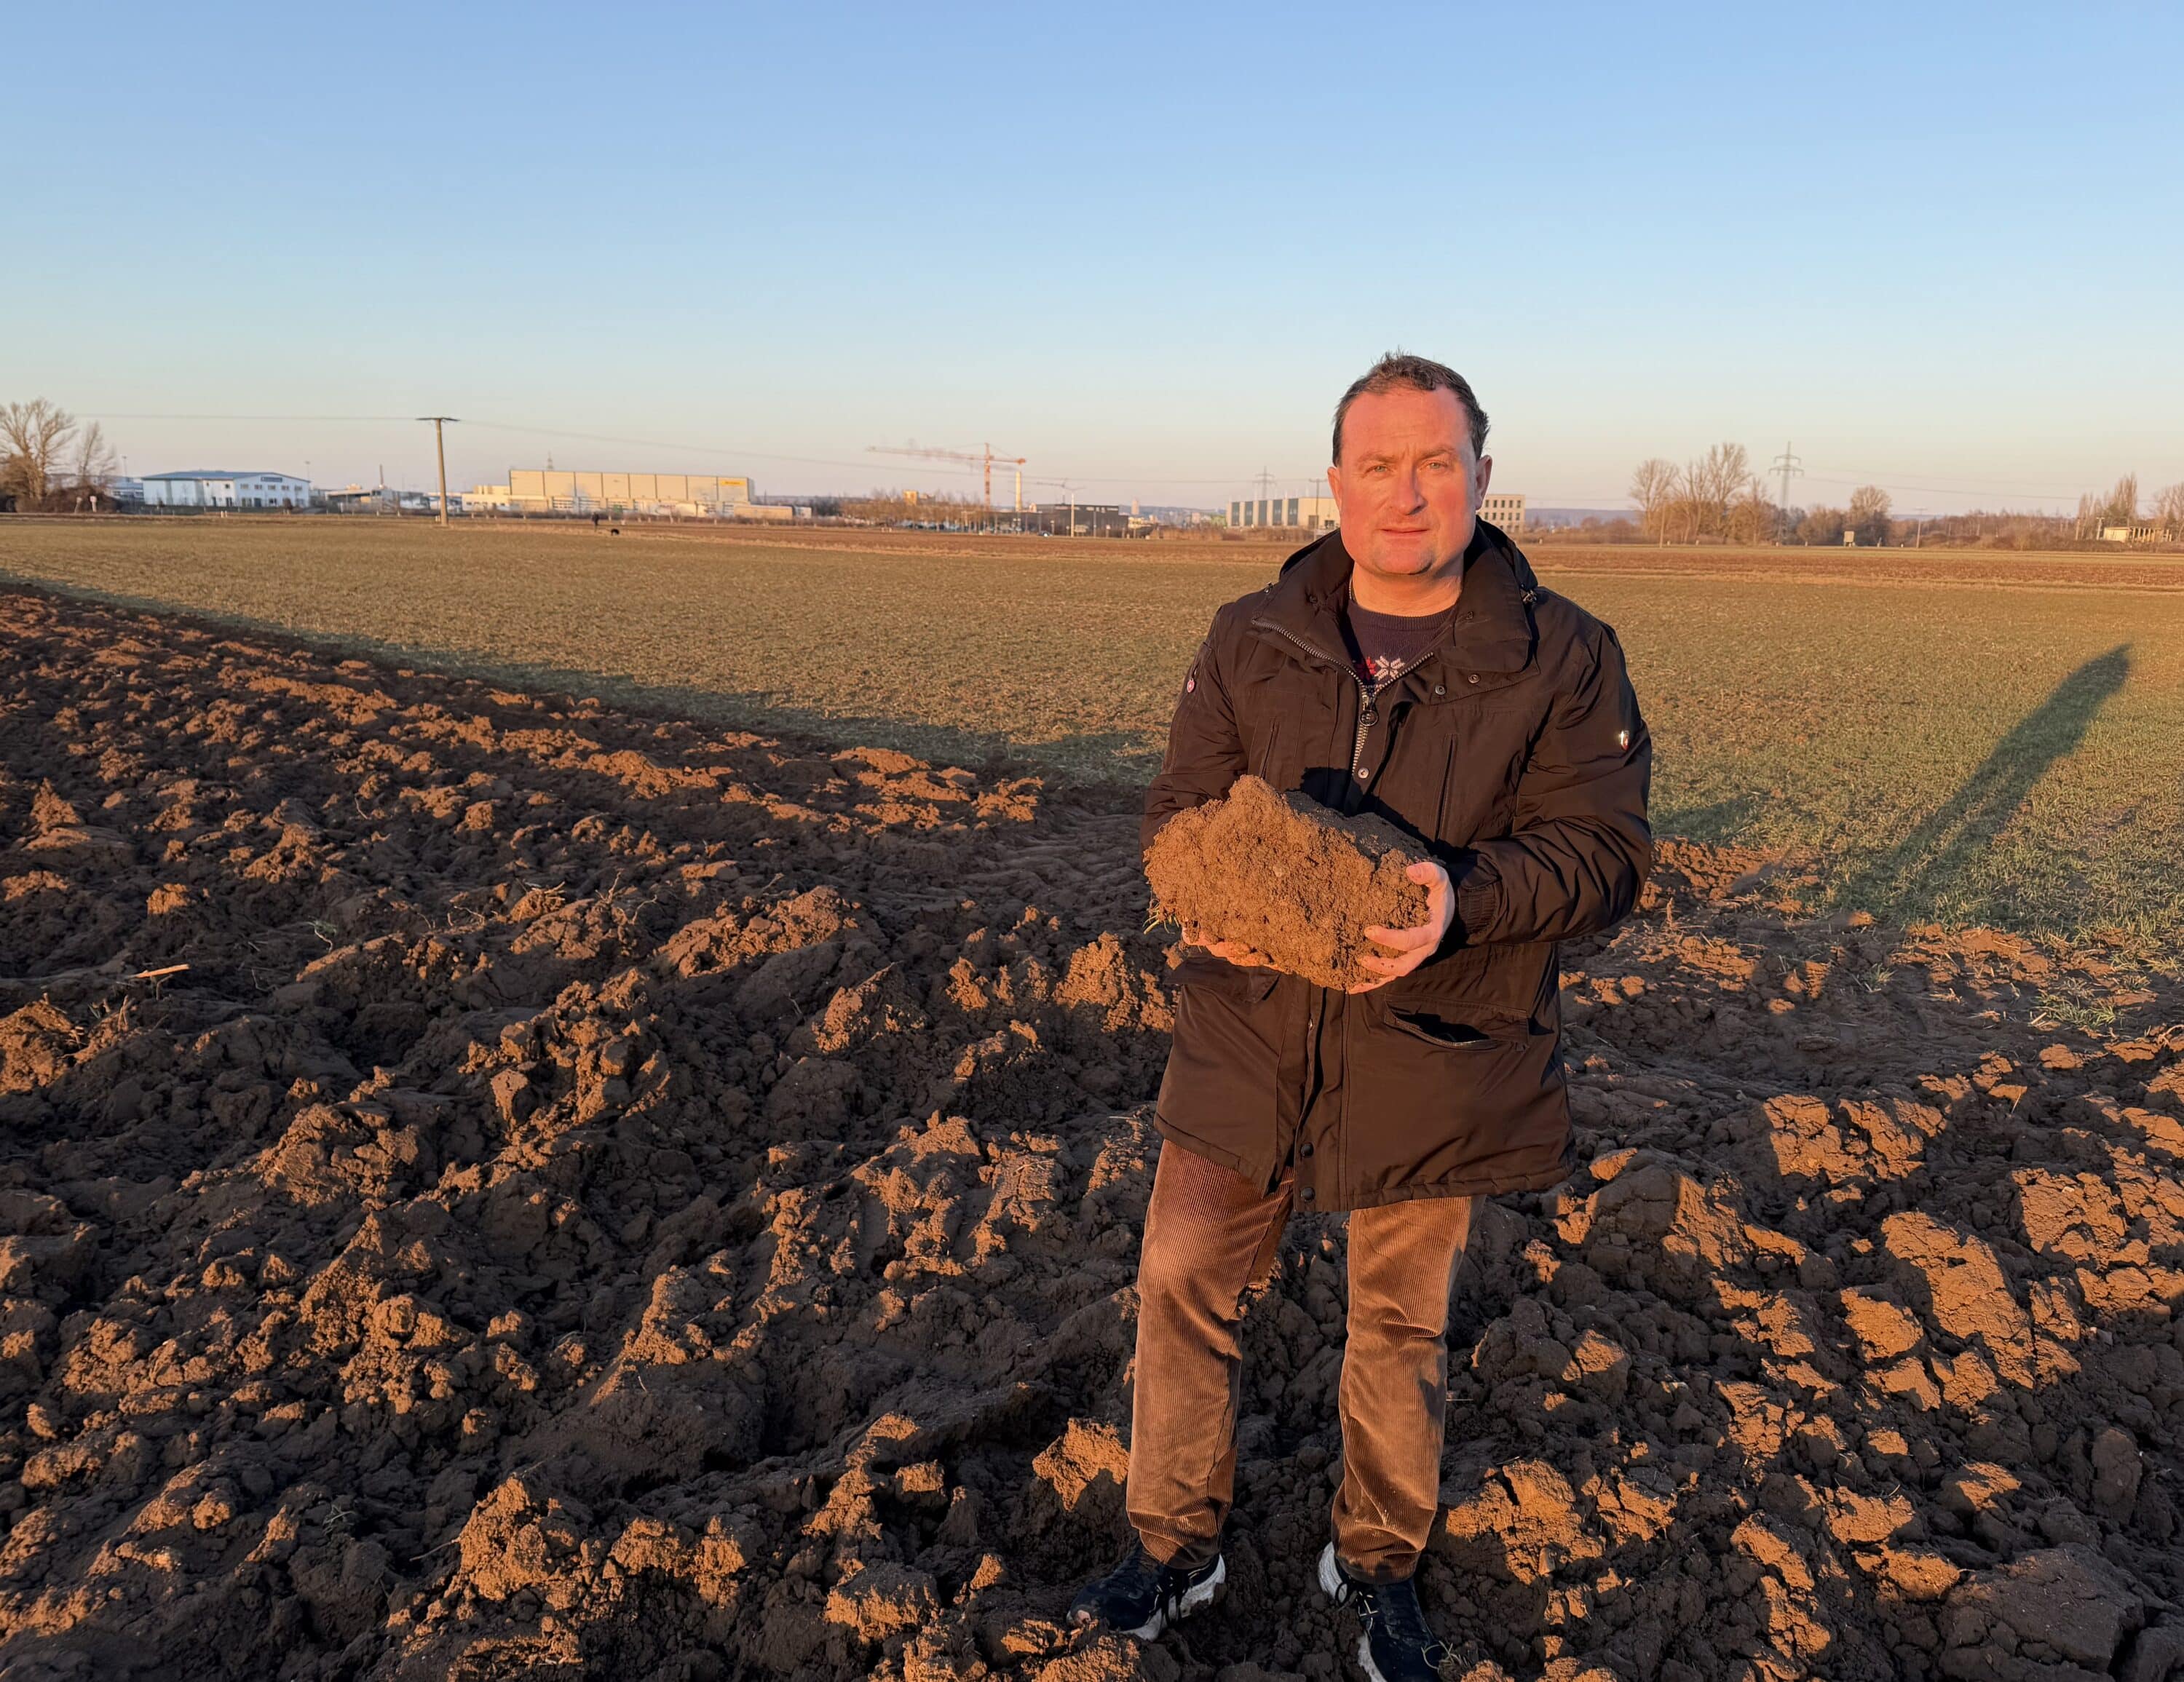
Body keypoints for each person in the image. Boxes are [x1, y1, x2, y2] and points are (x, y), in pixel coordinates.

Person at [1069, 354, 1653, 1681]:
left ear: (1481, 477)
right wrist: (1204, 893)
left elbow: (1607, 855)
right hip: (1249, 1035)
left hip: (1435, 1045)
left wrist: (1464, 900)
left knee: (1398, 1323)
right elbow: (1179, 810)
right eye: (1379, 465)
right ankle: (1174, 1548)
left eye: (1436, 463)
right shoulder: (1250, 636)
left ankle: (1377, 1562)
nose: (1407, 492)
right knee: (1180, 1278)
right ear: (1334, 484)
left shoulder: (1564, 656)